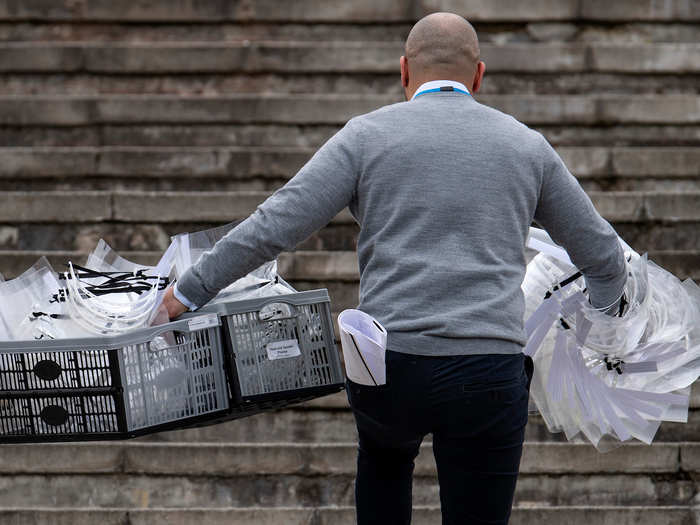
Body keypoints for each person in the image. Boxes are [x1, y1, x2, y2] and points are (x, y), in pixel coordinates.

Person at [161, 12, 627, 525]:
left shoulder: (366, 137)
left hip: (389, 367)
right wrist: (603, 325)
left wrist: (187, 292)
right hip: (487, 369)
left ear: (404, 70)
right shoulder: (526, 146)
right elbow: (602, 255)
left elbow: (275, 223)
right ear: (479, 75)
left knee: (383, 469)